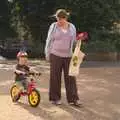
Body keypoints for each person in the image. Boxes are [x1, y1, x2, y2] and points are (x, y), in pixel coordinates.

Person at [45, 9, 81, 106]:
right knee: (55, 77)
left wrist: (79, 39)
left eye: (60, 19)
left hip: (68, 55)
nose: (59, 21)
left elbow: (74, 41)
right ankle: (55, 98)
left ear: (65, 18)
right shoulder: (53, 26)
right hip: (55, 54)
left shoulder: (72, 27)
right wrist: (47, 54)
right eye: (57, 19)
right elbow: (48, 40)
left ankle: (73, 99)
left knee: (71, 77)